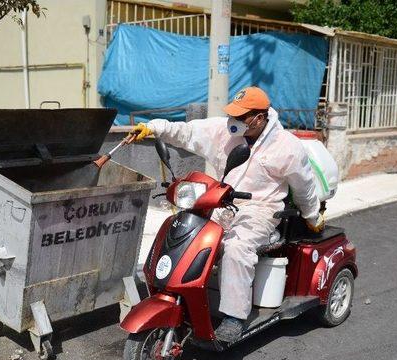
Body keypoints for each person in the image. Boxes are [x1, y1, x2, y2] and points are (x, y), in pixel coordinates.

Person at [131, 86, 324, 342]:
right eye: (233, 115)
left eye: (240, 116)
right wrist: (154, 127)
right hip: (222, 203)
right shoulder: (225, 130)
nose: (234, 121)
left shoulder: (287, 147)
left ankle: (234, 316)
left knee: (235, 248)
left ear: (259, 117)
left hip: (260, 211)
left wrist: (312, 217)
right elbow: (188, 132)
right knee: (188, 236)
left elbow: (305, 186)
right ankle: (177, 296)